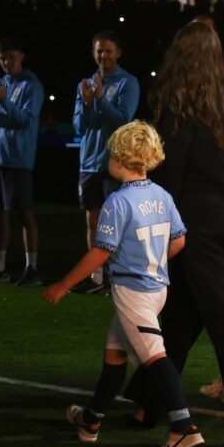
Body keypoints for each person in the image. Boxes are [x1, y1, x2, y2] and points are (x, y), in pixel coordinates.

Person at [121, 22, 224, 447]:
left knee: (220, 320)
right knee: (182, 313)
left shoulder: (174, 106)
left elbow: (166, 173)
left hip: (188, 221)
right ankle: (149, 402)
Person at [43, 121, 204, 447]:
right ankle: (91, 420)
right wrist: (153, 261)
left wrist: (63, 284)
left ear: (121, 159)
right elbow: (179, 240)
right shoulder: (161, 195)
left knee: (155, 357)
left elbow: (100, 252)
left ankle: (184, 427)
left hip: (133, 291)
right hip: (157, 288)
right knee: (115, 354)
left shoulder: (118, 202)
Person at [71, 30, 140, 294]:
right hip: (89, 162)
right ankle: (96, 277)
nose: (104, 55)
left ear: (118, 53)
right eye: (99, 50)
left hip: (115, 163)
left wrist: (100, 99)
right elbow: (79, 125)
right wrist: (89, 103)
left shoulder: (128, 82)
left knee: (116, 223)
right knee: (93, 219)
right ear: (93, 53)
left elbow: (123, 120)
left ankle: (118, 276)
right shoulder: (86, 84)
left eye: (109, 50)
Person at [0, 37, 44, 286]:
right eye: (2, 58)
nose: (6, 62)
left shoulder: (31, 85)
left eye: (11, 56)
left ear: (22, 55)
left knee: (24, 214)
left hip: (18, 159)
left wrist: (2, 102)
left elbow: (26, 120)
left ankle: (32, 268)